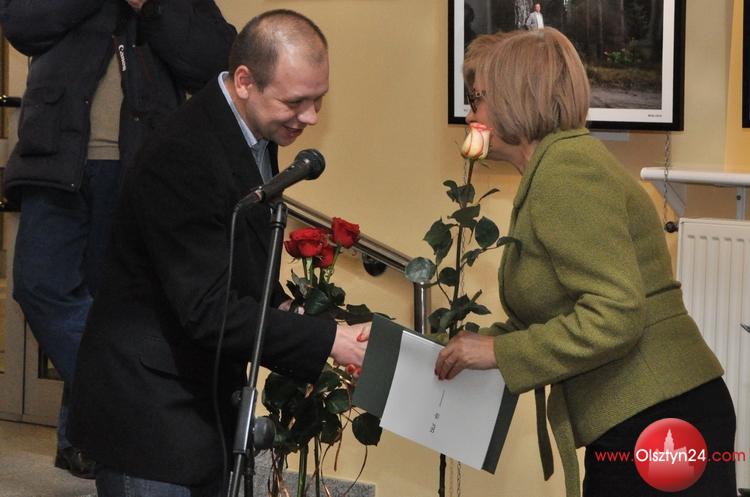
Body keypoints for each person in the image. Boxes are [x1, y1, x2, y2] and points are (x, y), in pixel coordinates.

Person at [68, 9, 370, 496]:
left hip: (200, 413)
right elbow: (208, 309)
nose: (311, 117)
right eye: (296, 101)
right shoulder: (183, 151)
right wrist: (328, 340)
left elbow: (232, 263)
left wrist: (295, 313)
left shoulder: (254, 132)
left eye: (319, 100)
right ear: (245, 81)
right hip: (152, 418)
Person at [435, 28, 735, 497]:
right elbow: (560, 313)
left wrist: (499, 353)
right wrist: (455, 349)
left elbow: (615, 314)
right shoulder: (557, 165)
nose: (470, 113)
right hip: (645, 412)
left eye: (477, 97)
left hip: (657, 416)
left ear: (515, 96)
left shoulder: (565, 171)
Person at [0, 0, 236, 479]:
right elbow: (21, 23)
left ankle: (82, 437)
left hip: (141, 165)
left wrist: (151, 6)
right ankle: (136, 406)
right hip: (54, 157)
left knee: (114, 307)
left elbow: (215, 61)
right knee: (38, 285)